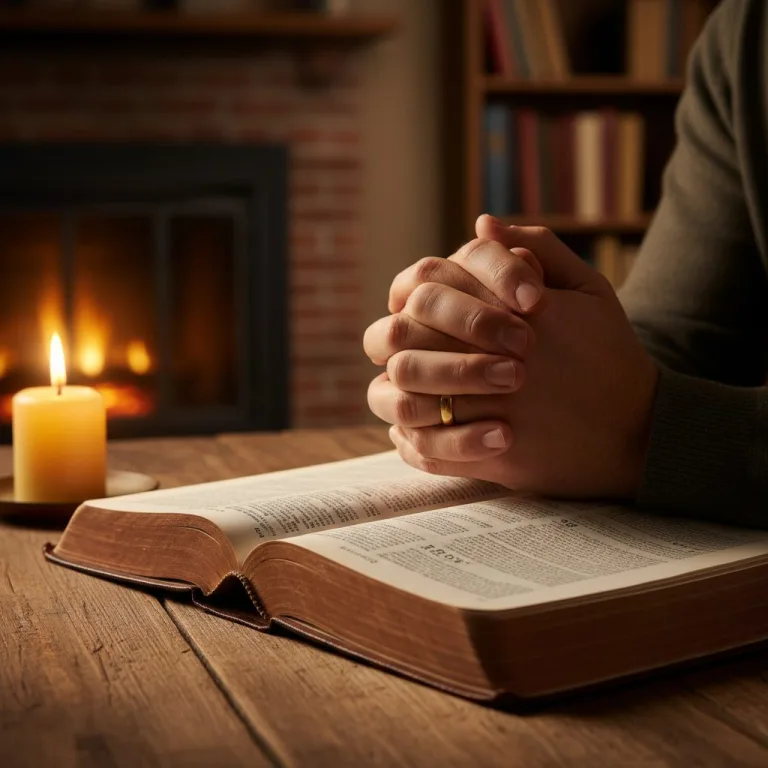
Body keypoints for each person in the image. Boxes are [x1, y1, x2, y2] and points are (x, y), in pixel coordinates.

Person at [363, 0, 768, 527]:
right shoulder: (745, 31)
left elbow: (637, 409)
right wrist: (512, 350)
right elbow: (674, 342)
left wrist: (644, 429)